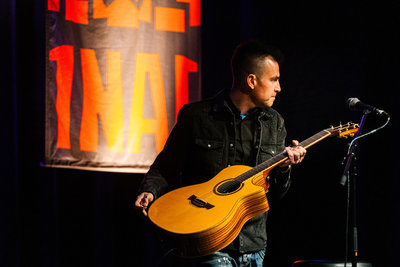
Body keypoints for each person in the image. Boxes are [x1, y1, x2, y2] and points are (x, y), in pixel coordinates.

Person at [134, 40, 307, 266]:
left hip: (254, 247)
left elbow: (275, 194)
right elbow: (166, 165)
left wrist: (285, 169)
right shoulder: (197, 116)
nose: (279, 88)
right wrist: (149, 191)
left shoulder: (275, 123)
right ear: (251, 81)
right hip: (208, 243)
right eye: (274, 80)